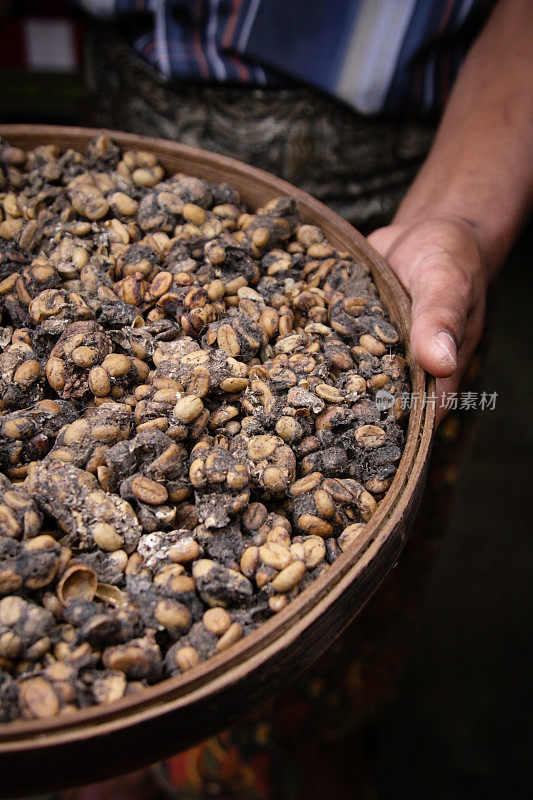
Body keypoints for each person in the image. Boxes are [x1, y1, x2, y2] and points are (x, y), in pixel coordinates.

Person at [66, 1, 532, 797]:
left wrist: (455, 219)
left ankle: (316, 748)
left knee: (328, 658)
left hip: (391, 230)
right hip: (108, 169)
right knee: (106, 720)